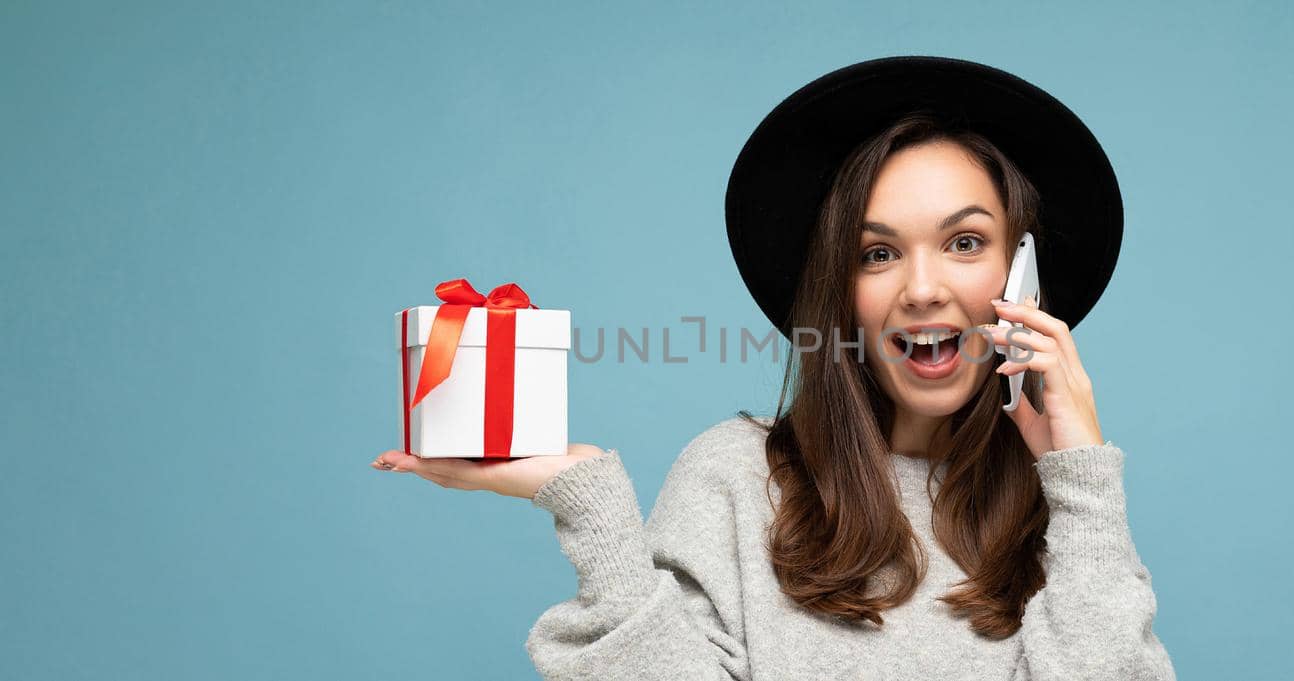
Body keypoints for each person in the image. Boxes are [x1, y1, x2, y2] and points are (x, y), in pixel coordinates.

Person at [372, 56, 1176, 680]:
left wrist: (1082, 475)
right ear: (839, 293)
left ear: (1021, 276)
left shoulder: (1073, 517)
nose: (923, 289)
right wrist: (593, 504)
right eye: (877, 252)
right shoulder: (737, 476)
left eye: (965, 242)